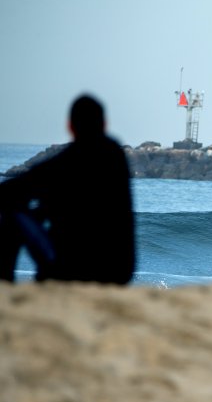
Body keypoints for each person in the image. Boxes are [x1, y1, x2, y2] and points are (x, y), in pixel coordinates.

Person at [0, 94, 136, 284]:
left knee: (12, 213)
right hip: (119, 272)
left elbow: (15, 189)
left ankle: (4, 285)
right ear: (104, 124)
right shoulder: (115, 155)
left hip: (71, 270)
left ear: (70, 127)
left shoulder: (68, 160)